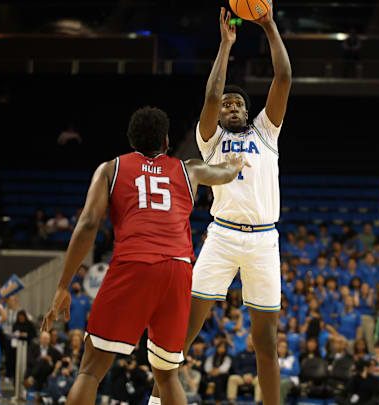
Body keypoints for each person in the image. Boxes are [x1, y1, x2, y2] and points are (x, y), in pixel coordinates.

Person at [41, 105, 250, 405]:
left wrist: (63, 285)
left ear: (131, 141)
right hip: (178, 269)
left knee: (89, 370)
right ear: (166, 141)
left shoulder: (110, 169)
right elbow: (225, 172)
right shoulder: (188, 169)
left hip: (135, 263)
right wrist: (238, 162)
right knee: (167, 374)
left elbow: (88, 224)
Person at [153, 6, 292, 405]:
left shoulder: (267, 131)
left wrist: (268, 25)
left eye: (237, 105)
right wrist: (226, 44)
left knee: (265, 343)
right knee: (183, 332)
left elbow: (283, 76)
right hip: (222, 238)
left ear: (248, 112)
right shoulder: (210, 140)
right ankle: (155, 399)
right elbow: (212, 93)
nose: (231, 107)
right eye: (227, 105)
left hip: (264, 243)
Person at [227, 335, 261, 403]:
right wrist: (243, 376)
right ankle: (231, 401)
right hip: (242, 377)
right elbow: (236, 368)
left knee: (260, 380)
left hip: (254, 377)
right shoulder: (240, 354)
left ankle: (258, 402)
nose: (250, 341)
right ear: (246, 341)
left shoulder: (259, 355)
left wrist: (252, 376)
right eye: (249, 339)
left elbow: (260, 369)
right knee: (232, 378)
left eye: (252, 339)